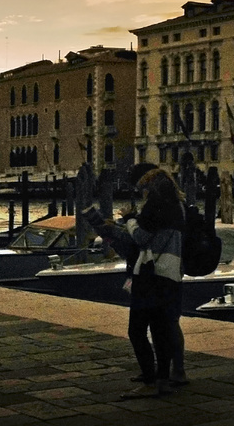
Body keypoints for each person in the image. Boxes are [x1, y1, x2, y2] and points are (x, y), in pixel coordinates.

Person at [85, 167, 185, 399]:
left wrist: (130, 219)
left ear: (150, 189)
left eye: (144, 190)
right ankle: (162, 381)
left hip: (150, 276)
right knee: (161, 331)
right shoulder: (178, 208)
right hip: (171, 274)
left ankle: (149, 381)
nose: (142, 194)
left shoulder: (155, 207)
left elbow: (140, 237)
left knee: (136, 330)